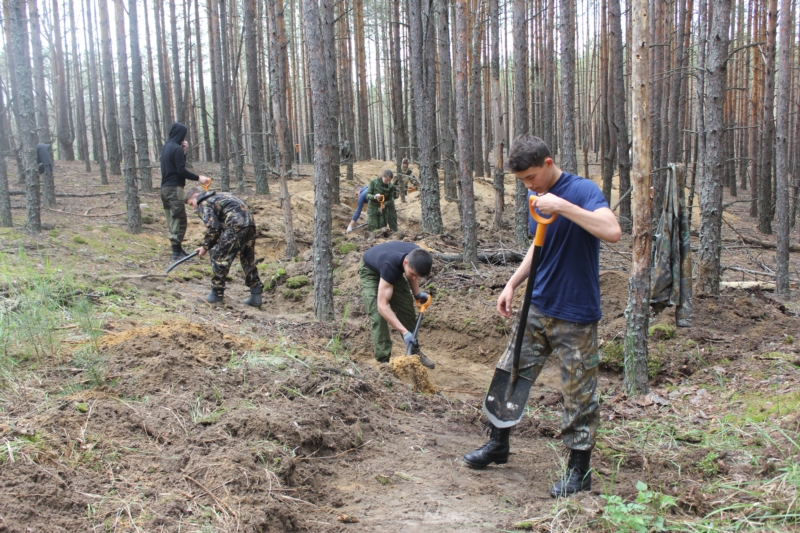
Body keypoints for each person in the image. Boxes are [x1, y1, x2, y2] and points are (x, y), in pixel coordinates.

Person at [462, 134, 622, 498]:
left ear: (548, 164)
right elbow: (540, 247)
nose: (528, 187)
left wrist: (562, 206)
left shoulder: (581, 191)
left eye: (531, 178)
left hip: (576, 314)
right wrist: (512, 283)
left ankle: (579, 472)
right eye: (522, 182)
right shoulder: (540, 197)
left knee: (578, 393)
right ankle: (498, 444)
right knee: (509, 372)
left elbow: (612, 231)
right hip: (537, 305)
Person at [358, 241, 436, 369]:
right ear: (405, 262)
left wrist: (417, 294)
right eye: (413, 274)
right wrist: (405, 332)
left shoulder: (417, 255)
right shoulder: (390, 266)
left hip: (393, 267)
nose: (415, 278)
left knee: (406, 309)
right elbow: (382, 306)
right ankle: (384, 362)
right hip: (371, 271)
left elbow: (412, 275)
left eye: (418, 276)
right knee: (378, 317)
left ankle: (414, 351)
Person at [184, 188, 264, 307]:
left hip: (235, 224)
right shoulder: (220, 195)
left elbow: (213, 227)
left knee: (219, 257)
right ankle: (256, 295)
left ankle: (217, 293)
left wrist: (205, 247)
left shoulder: (203, 202)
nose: (193, 207)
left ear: (196, 195)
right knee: (247, 258)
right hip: (250, 223)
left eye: (191, 203)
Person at [161, 123, 211, 260]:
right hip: (174, 189)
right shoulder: (175, 148)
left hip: (164, 189)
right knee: (179, 219)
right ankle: (176, 251)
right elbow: (180, 170)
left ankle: (177, 249)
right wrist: (198, 178)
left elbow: (175, 165)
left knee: (172, 219)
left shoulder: (166, 147)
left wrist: (183, 152)